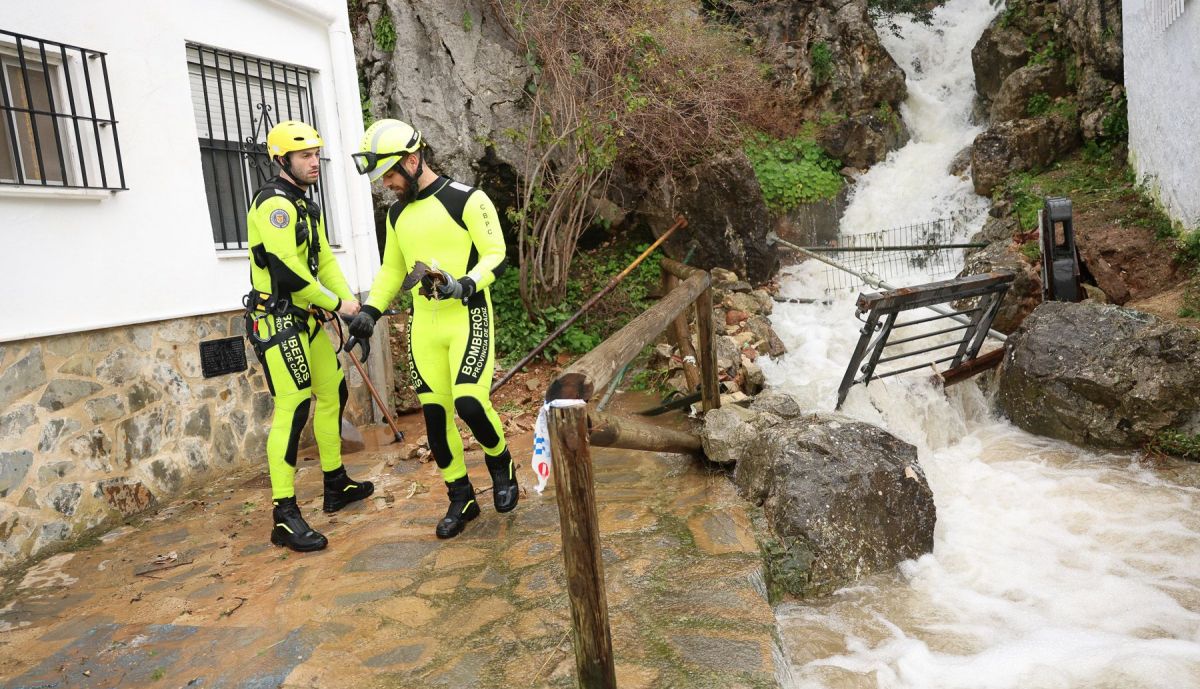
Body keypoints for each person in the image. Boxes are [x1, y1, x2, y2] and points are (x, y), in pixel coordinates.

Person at [348, 118, 518, 539]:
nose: (386, 183)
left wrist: (466, 284)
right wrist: (369, 312)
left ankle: (502, 465)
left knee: (470, 403)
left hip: (468, 315)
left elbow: (497, 254)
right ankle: (460, 496)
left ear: (411, 159)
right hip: (424, 325)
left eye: (388, 173)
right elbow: (392, 271)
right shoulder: (396, 215)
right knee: (437, 416)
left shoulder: (468, 199)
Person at [243, 120, 374, 552]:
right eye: (304, 156)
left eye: (317, 154)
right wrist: (337, 307)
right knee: (293, 407)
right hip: (276, 320)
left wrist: (349, 301)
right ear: (282, 160)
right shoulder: (273, 204)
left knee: (332, 391)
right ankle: (284, 516)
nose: (314, 162)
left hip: (307, 318)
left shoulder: (304, 203)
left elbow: (325, 265)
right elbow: (286, 270)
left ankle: (335, 483)